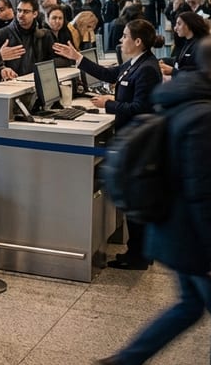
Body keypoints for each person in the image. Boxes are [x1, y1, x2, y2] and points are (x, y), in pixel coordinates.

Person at [97, 35, 211, 365]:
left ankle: (124, 363)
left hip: (177, 231)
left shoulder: (187, 98)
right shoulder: (209, 115)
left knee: (189, 306)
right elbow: (207, 191)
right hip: (199, 240)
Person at [54, 18, 162, 270]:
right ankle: (138, 251)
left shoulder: (147, 68)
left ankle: (139, 256)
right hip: (131, 139)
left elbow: (141, 108)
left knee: (136, 200)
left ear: (138, 41)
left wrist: (108, 104)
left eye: (125, 36)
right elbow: (109, 74)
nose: (121, 40)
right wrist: (78, 57)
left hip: (139, 142)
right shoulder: (134, 64)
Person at [0, 0, 53, 76]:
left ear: (35, 14)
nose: (21, 15)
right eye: (19, 11)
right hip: (11, 83)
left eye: (26, 12)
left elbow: (51, 61)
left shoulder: (43, 35)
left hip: (35, 81)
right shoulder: (3, 34)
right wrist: (2, 69)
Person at [160, 11, 210, 78]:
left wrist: (173, 71)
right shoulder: (187, 41)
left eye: (179, 24)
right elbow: (180, 60)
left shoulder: (200, 45)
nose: (175, 28)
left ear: (189, 25)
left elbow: (199, 73)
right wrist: (164, 60)